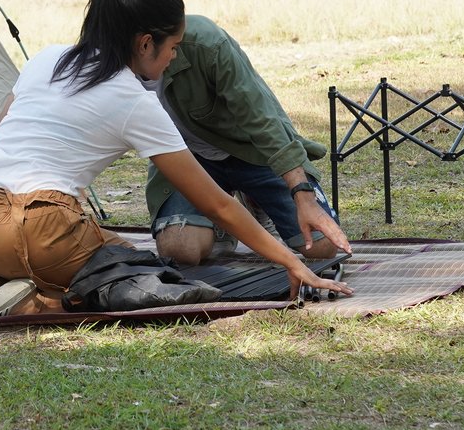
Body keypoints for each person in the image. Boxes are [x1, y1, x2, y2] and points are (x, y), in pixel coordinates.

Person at [0, 0, 353, 325]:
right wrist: (291, 263)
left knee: (112, 253)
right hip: (33, 228)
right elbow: (219, 206)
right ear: (146, 43)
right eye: (172, 47)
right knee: (149, 276)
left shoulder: (46, 58)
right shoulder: (133, 100)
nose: (174, 58)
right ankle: (36, 302)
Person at [144, 15, 351, 265]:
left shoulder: (207, 43)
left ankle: (254, 200)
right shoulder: (114, 69)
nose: (176, 53)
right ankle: (220, 223)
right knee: (179, 251)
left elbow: (261, 119)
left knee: (322, 245)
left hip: (251, 151)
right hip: (187, 158)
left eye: (178, 45)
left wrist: (303, 195)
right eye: (173, 47)